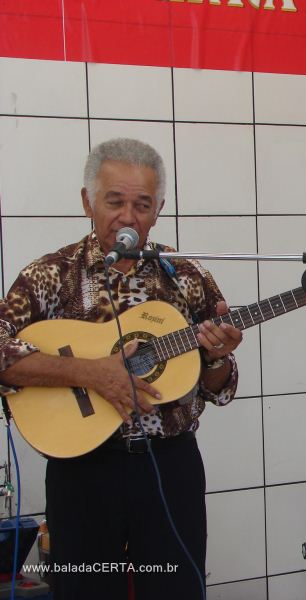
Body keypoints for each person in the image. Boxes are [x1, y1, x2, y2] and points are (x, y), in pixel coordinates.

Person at [0, 138, 242, 600]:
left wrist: (216, 357)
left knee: (177, 590)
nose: (128, 217)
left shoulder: (185, 275)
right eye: (115, 202)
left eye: (142, 205)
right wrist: (89, 374)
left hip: (171, 466)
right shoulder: (52, 274)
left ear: (159, 209)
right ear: (87, 201)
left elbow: (221, 388)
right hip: (82, 472)